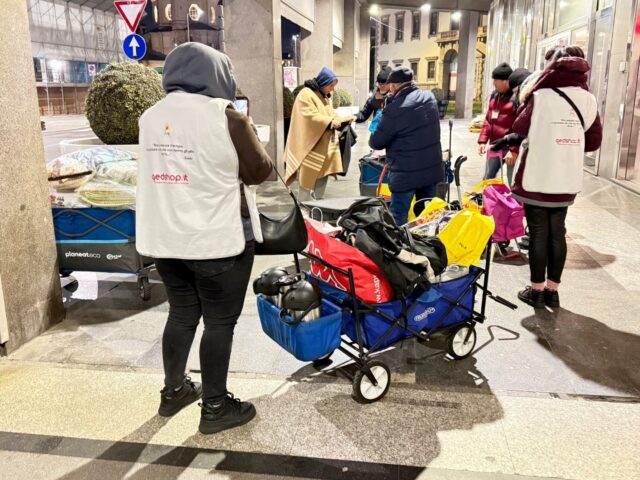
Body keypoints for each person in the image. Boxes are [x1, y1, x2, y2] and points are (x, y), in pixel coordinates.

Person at [136, 43, 272, 434]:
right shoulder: (228, 117)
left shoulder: (150, 117)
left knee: (181, 314)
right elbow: (259, 172)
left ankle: (174, 391)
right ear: (217, 75)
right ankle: (215, 407)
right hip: (217, 240)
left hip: (165, 239)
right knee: (219, 322)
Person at [506, 46, 602, 309]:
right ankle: (553, 291)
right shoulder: (589, 99)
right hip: (566, 175)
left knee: (538, 231)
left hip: (538, 173)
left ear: (552, 69)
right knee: (557, 231)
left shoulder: (541, 96)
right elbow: (593, 142)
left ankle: (536, 291)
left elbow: (519, 127)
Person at [369, 66, 443, 226]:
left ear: (394, 85)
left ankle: (401, 242)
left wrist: (383, 116)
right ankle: (425, 241)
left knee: (398, 217)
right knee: (427, 218)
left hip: (405, 174)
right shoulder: (429, 98)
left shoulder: (395, 109)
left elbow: (376, 142)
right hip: (430, 170)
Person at [284, 67, 355, 201]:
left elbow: (330, 114)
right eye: (331, 86)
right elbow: (309, 116)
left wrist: (342, 119)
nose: (332, 90)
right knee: (306, 180)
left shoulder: (323, 96)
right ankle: (304, 207)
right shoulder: (305, 94)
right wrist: (330, 122)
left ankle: (318, 204)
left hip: (324, 145)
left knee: (323, 175)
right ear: (323, 83)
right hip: (310, 146)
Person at [478, 62, 519, 183]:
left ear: (506, 81)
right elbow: (488, 120)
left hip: (510, 149)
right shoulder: (494, 95)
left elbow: (521, 127)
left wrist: (514, 149)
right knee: (487, 179)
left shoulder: (516, 97)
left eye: (496, 80)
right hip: (495, 145)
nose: (493, 83)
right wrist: (483, 141)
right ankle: (488, 196)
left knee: (513, 182)